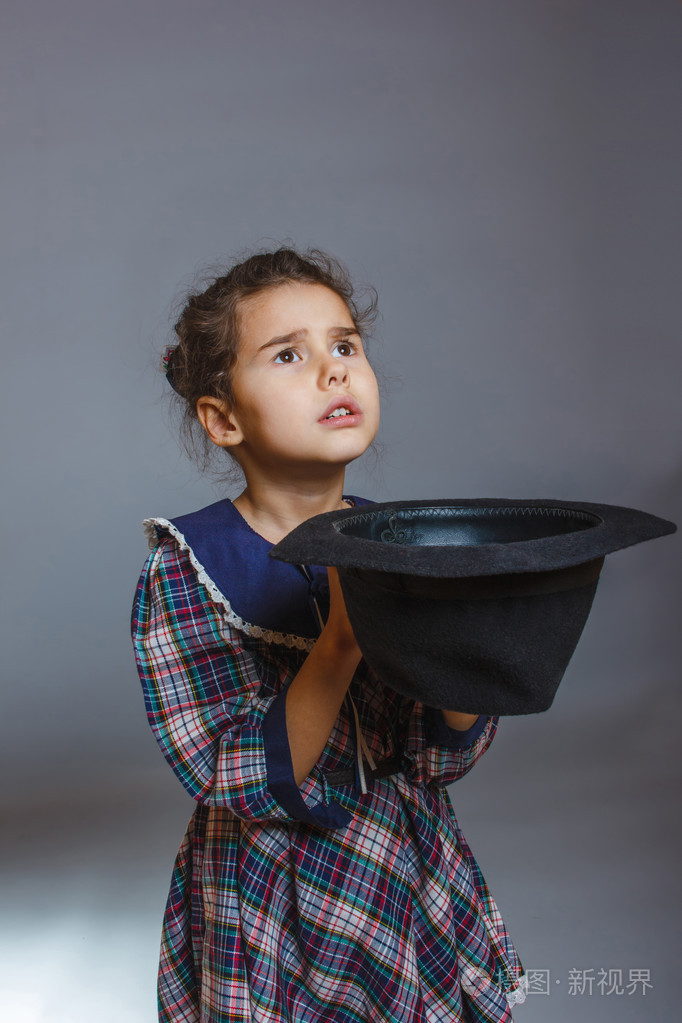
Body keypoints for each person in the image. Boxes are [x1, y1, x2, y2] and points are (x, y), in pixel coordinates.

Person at [131, 247, 526, 1022]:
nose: (334, 370)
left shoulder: (403, 543)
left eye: (345, 345)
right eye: (289, 354)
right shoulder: (187, 568)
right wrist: (342, 638)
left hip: (399, 868)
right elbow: (236, 775)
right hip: (274, 887)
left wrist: (479, 646)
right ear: (223, 418)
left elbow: (434, 754)